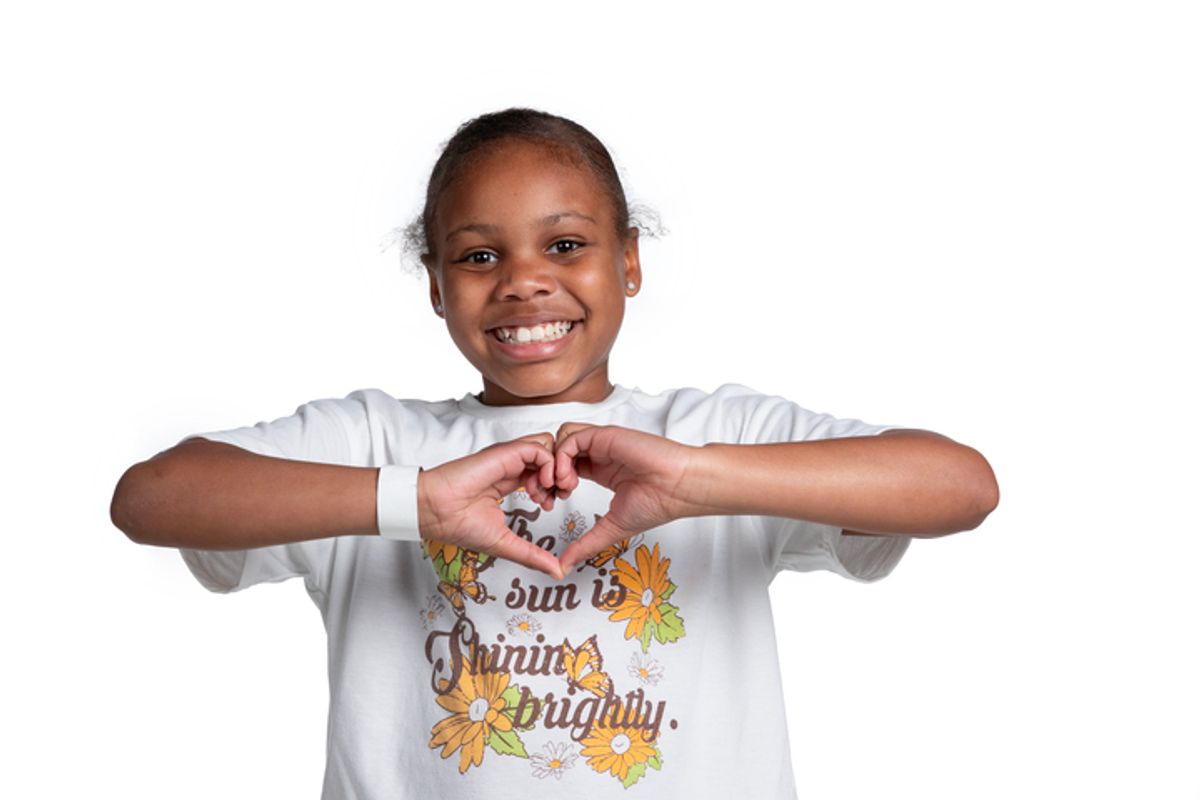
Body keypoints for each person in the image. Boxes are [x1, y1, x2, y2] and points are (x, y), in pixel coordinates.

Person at [111, 108, 999, 799]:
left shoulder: (713, 431)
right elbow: (152, 498)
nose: (523, 280)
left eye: (565, 245)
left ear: (629, 262)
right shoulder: (376, 442)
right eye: (478, 255)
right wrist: (412, 503)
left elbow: (960, 485)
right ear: (435, 286)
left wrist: (697, 479)